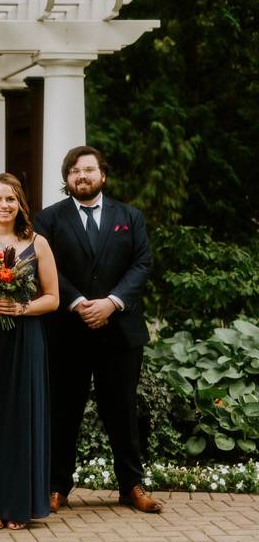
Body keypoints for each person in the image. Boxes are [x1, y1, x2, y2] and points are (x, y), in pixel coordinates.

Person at [33, 146, 163, 514]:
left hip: (119, 330)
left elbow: (142, 263)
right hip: (67, 331)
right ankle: (56, 487)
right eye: (75, 171)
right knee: (63, 411)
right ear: (67, 179)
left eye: (89, 169)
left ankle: (131, 486)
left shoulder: (130, 216)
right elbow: (47, 268)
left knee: (122, 411)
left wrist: (111, 302)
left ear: (102, 175)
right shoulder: (48, 220)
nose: (82, 176)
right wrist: (77, 302)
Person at [0, 173, 59, 530]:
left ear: (21, 203)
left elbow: (53, 298)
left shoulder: (38, 243)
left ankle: (19, 504)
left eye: (10, 199)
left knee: (20, 420)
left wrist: (21, 309)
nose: (3, 205)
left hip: (25, 340)